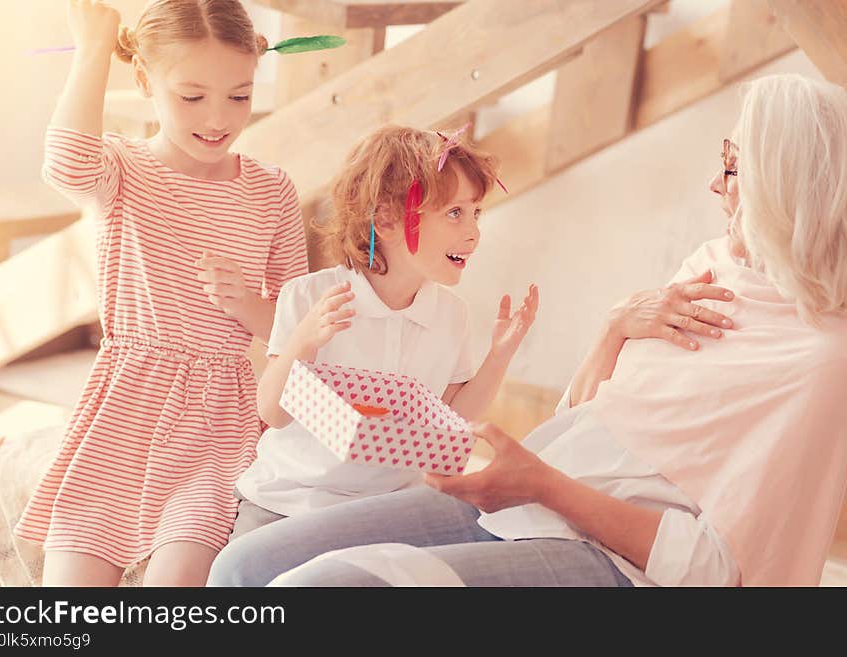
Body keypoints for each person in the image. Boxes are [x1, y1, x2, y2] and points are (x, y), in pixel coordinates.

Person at [210, 74, 847, 587]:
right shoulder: (710, 268)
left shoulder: (819, 360)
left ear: (789, 189)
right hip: (379, 494)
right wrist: (613, 332)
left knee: (318, 590)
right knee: (241, 568)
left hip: (594, 543)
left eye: (735, 171)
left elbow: (716, 570)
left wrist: (531, 456)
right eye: (453, 212)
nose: (715, 185)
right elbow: (591, 425)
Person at [15, 0, 311, 586]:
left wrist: (247, 305)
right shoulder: (122, 169)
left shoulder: (272, 190)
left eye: (240, 95)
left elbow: (298, 325)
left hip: (221, 420)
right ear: (146, 80)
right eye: (192, 96)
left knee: (175, 585)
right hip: (125, 403)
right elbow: (67, 162)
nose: (219, 117)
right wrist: (96, 44)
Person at [205, 124, 539, 582]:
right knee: (244, 577)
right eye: (455, 213)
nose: (474, 232)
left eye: (477, 213)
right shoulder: (309, 296)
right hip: (288, 501)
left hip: (383, 511)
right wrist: (304, 340)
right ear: (384, 219)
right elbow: (273, 412)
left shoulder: (451, 315)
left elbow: (452, 421)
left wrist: (499, 355)